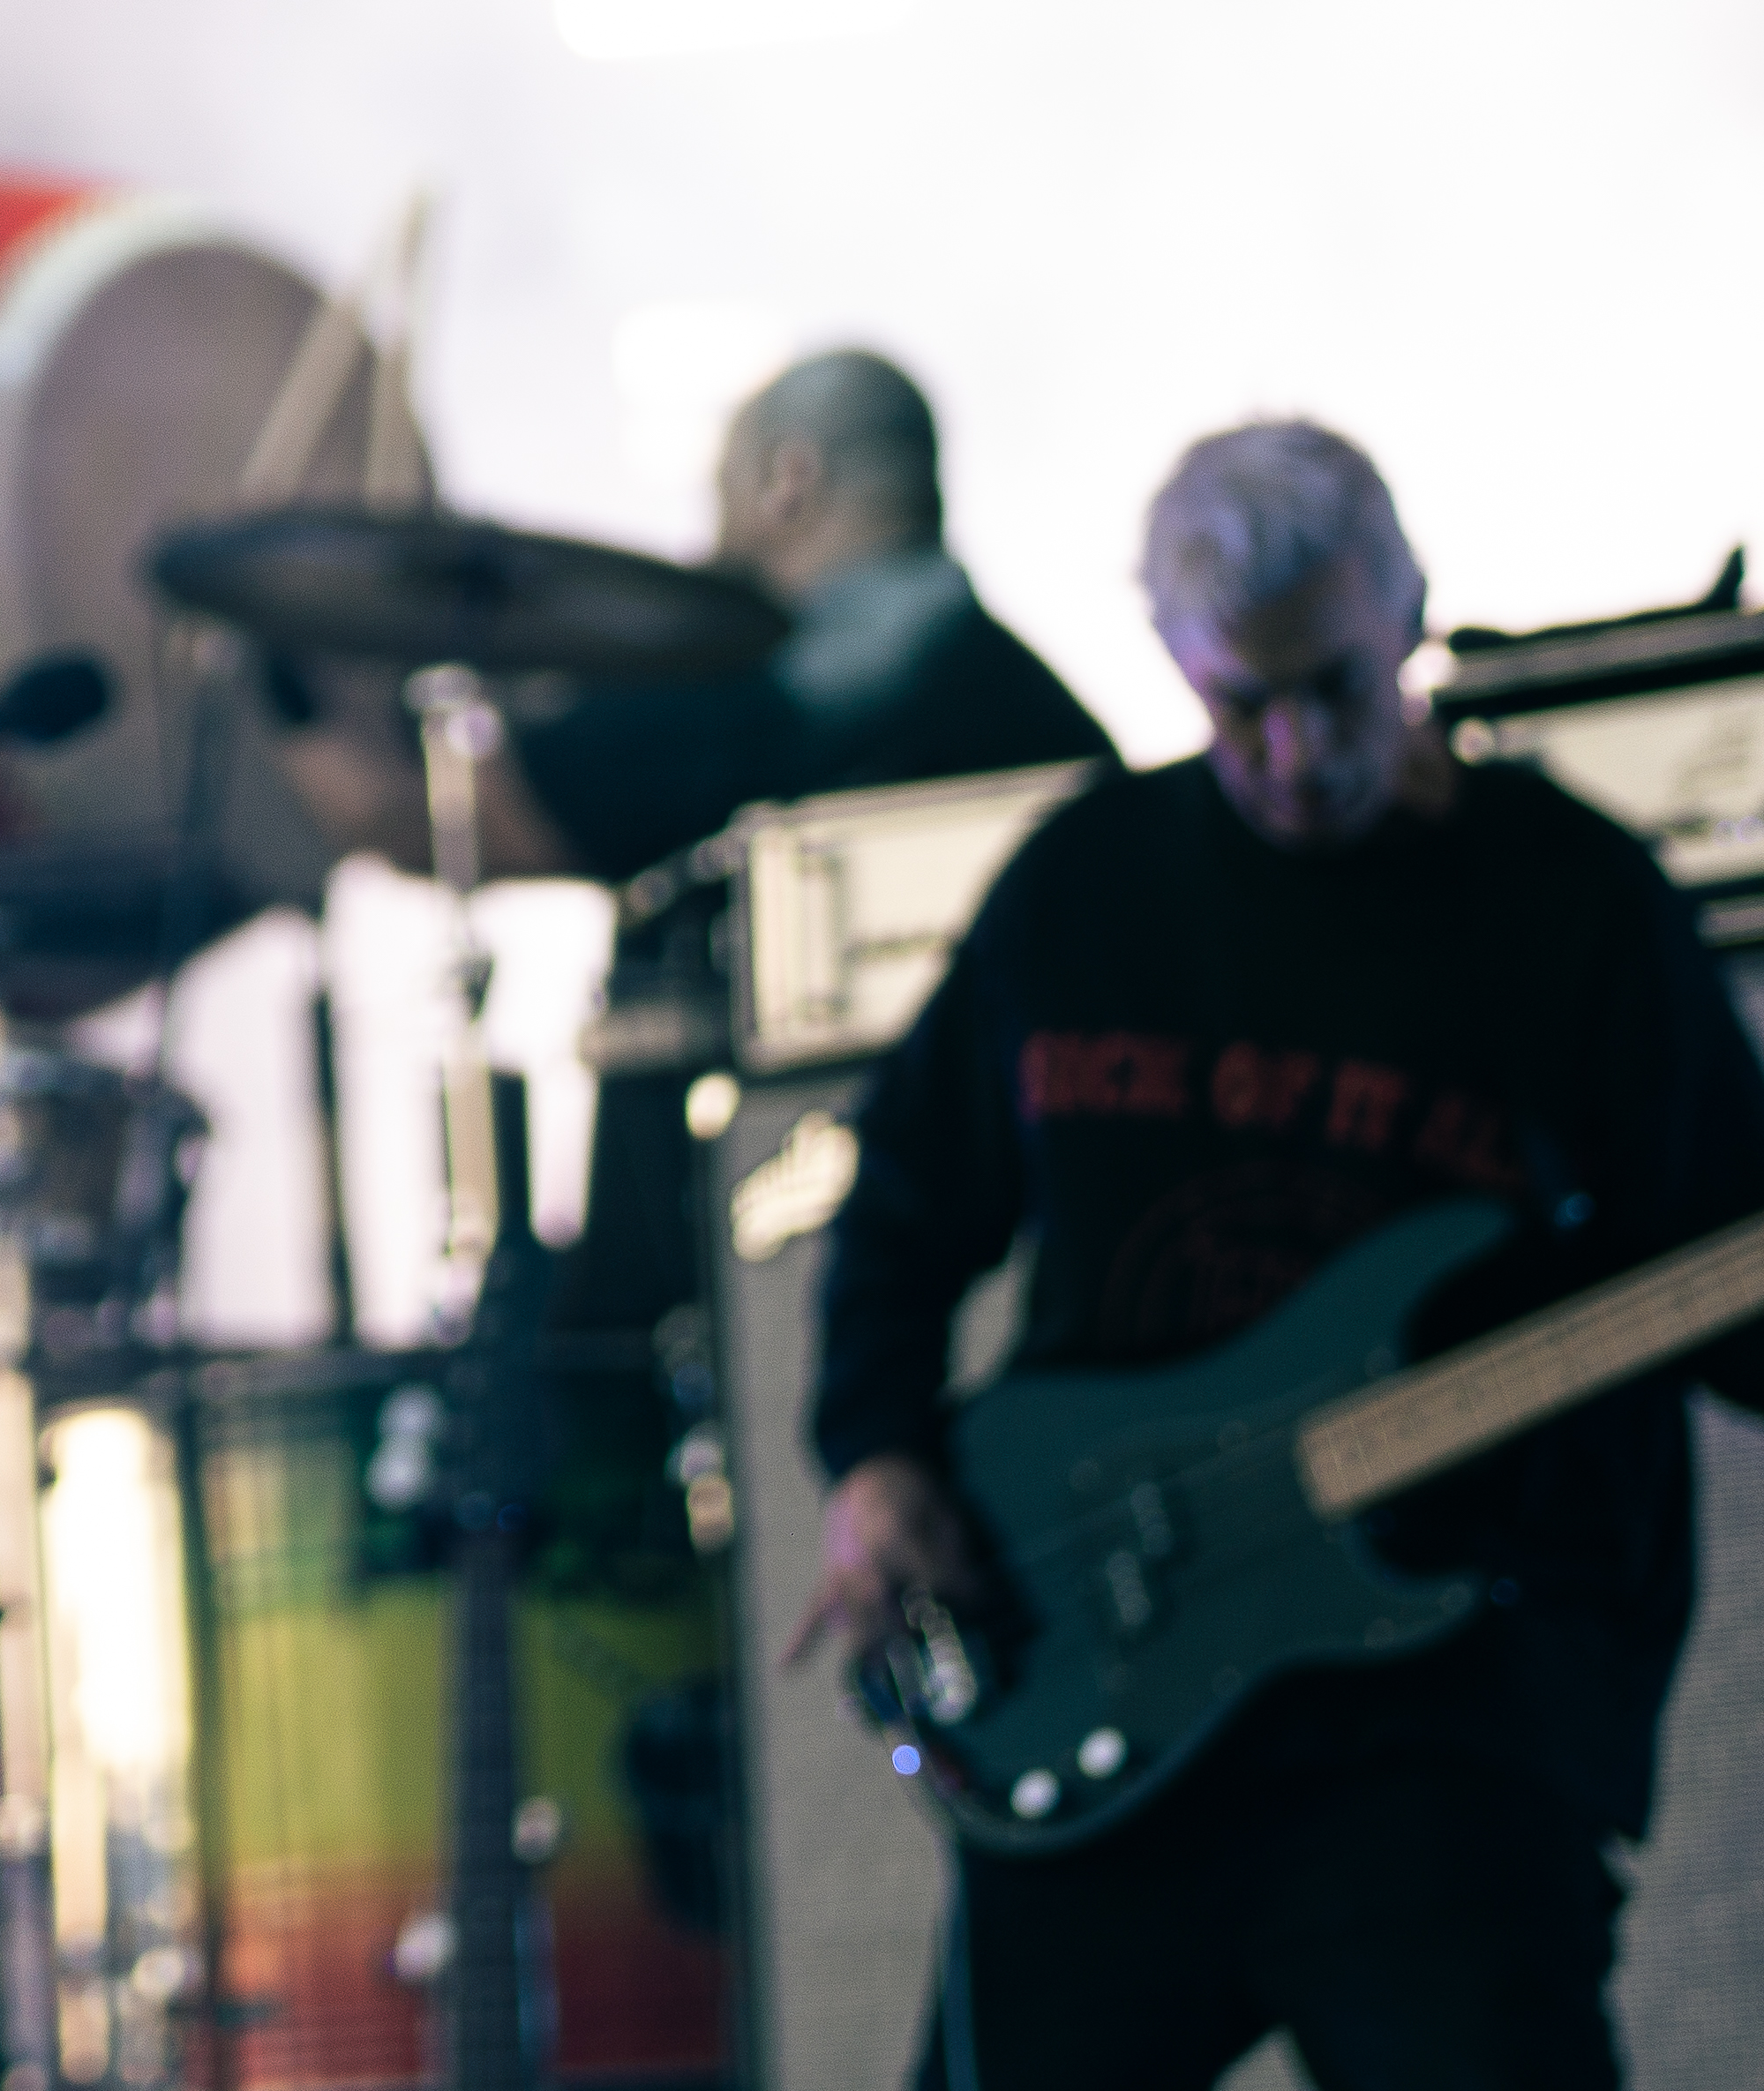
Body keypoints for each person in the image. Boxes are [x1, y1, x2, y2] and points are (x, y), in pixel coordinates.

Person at [790, 420, 1764, 2087]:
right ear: (1176, 666)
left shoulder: (1572, 906)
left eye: (1336, 686)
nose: (1300, 750)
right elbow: (903, 1201)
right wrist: (875, 1454)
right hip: (1099, 1659)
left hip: (1446, 1716)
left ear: (1409, 619)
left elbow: (1725, 1276)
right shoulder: (1087, 884)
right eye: (1242, 704)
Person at [277, 348, 1118, 1322]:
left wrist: (281, 668)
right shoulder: (1056, 723)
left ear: (787, 477)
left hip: (792, 1276)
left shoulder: (782, 702)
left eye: (721, 489)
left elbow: (409, 818)